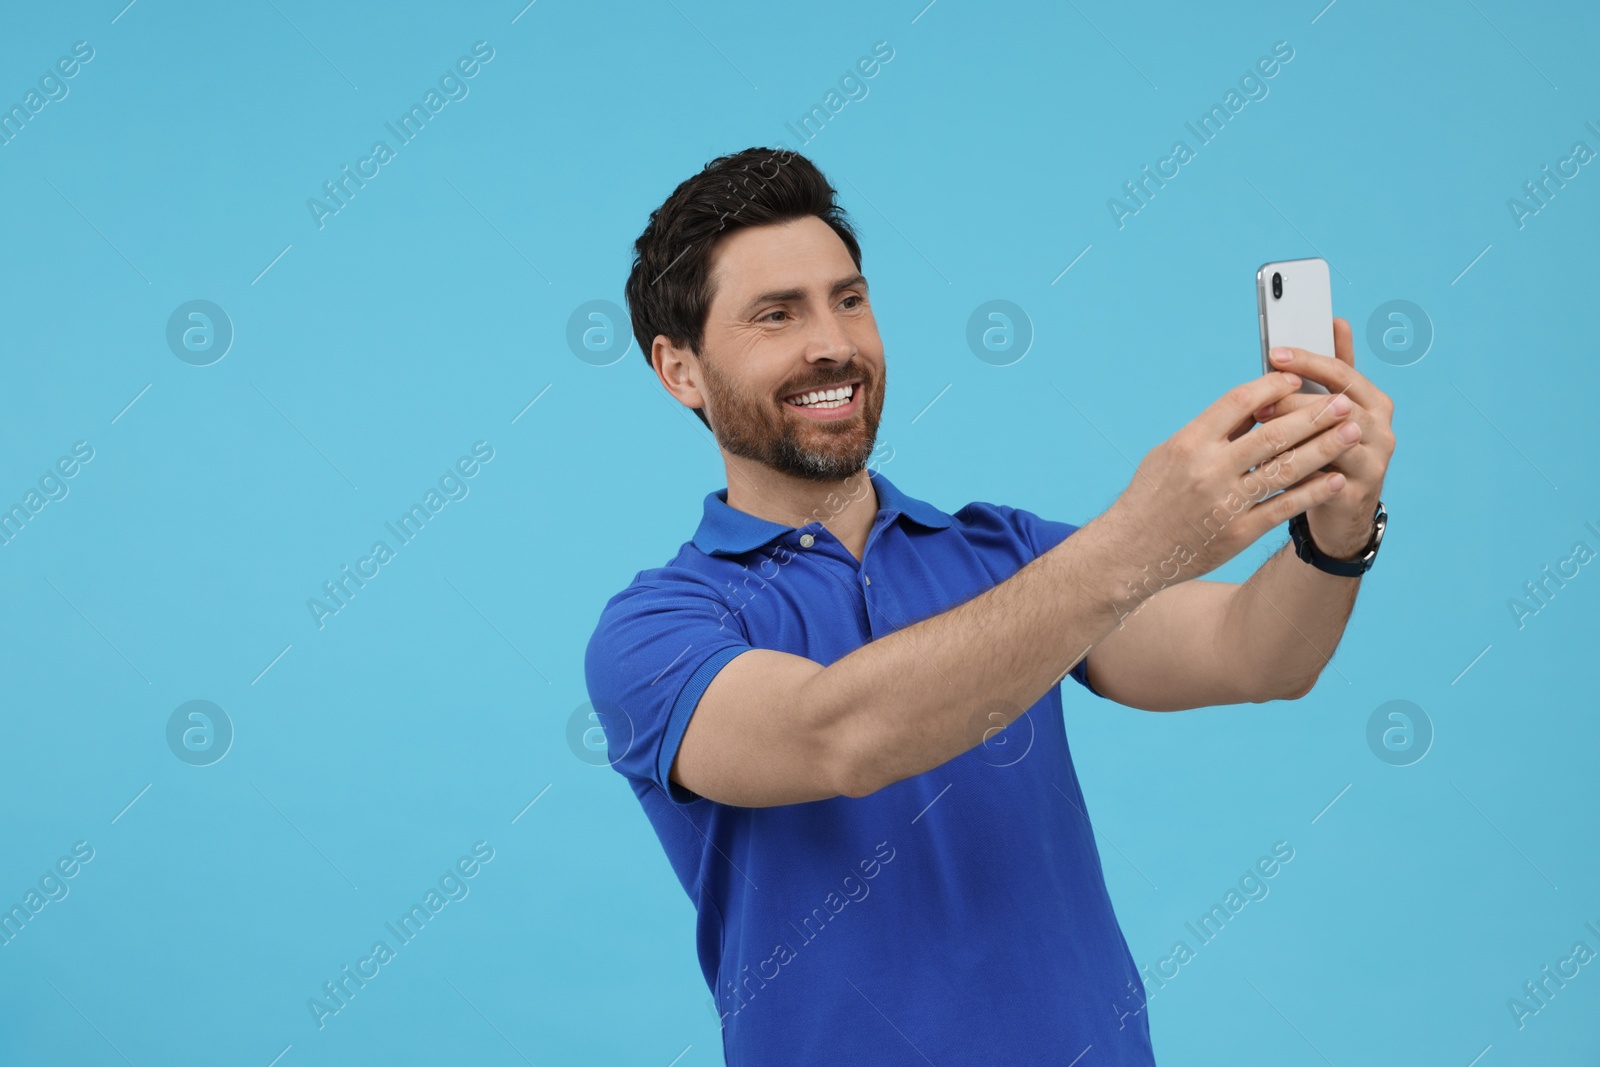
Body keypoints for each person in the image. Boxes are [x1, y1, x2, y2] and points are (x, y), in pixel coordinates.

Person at [583, 146, 1395, 1065]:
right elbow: (835, 735)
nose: (834, 343)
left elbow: (1257, 655)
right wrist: (1136, 538)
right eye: (777, 314)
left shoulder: (1008, 553)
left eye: (849, 298)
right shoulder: (654, 632)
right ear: (679, 370)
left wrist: (1334, 531)